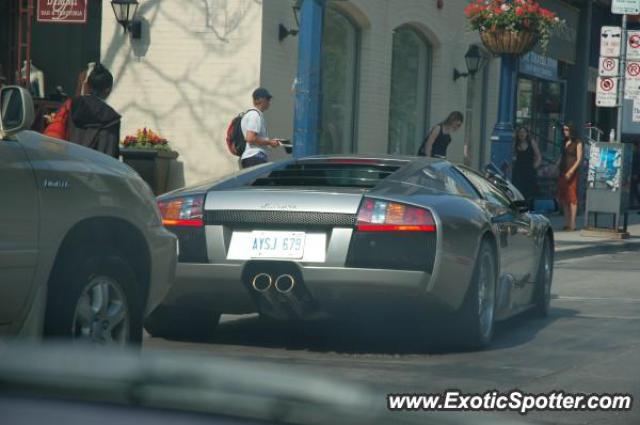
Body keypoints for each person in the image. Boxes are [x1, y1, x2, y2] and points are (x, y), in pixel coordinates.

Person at [67, 63, 121, 158]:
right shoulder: (110, 118)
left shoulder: (72, 107)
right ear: (108, 90)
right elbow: (108, 154)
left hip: (69, 165)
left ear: (87, 86)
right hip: (95, 169)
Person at [240, 87, 281, 168]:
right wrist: (269, 142)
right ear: (260, 100)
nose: (269, 102)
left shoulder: (251, 114)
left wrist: (269, 142)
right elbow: (250, 138)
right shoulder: (255, 115)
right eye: (268, 99)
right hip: (255, 157)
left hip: (252, 158)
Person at [556, 122, 583, 231]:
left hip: (572, 171)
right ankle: (566, 222)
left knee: (572, 197)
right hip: (563, 170)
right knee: (564, 198)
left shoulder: (578, 143)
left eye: (567, 129)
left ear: (572, 130)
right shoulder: (564, 142)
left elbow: (579, 159)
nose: (565, 131)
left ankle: (572, 223)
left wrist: (571, 171)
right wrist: (555, 166)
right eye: (564, 130)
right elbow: (561, 156)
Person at [512, 126, 541, 204]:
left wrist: (535, 166)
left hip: (529, 169)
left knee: (530, 190)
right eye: (520, 132)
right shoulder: (515, 143)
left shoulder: (531, 142)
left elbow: (538, 156)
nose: (522, 134)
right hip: (518, 170)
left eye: (523, 132)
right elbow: (511, 155)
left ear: (527, 134)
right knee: (518, 190)